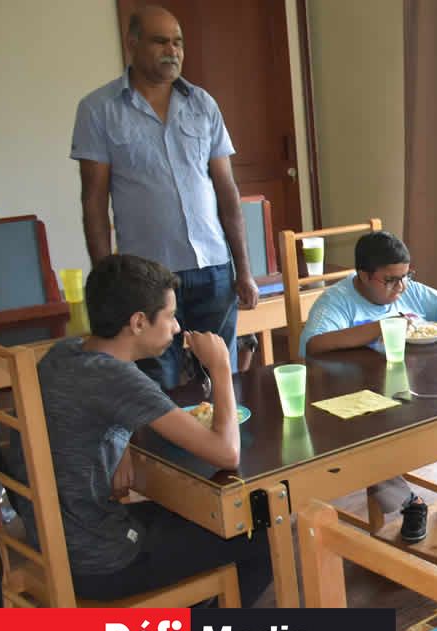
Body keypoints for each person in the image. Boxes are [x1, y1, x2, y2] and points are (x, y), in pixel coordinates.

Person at [20, 254, 271, 631]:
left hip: (50, 539)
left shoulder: (65, 354)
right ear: (138, 322)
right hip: (98, 559)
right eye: (171, 316)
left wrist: (120, 445)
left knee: (189, 513)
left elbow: (84, 419)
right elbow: (226, 452)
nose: (177, 328)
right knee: (257, 531)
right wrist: (219, 369)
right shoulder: (118, 379)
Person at [71, 6, 260, 390]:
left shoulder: (203, 104)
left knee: (222, 379)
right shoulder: (99, 110)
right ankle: (165, 451)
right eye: (160, 41)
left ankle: (228, 450)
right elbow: (93, 202)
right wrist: (109, 283)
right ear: (132, 44)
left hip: (213, 268)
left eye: (178, 42)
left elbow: (226, 191)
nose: (172, 50)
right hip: (147, 280)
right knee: (158, 384)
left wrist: (244, 270)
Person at [299, 230, 437, 542]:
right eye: (390, 280)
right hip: (363, 395)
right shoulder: (336, 302)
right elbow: (314, 344)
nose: (400, 286)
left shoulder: (408, 291)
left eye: (405, 276)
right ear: (363, 276)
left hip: (414, 385)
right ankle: (409, 503)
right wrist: (376, 329)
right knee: (369, 436)